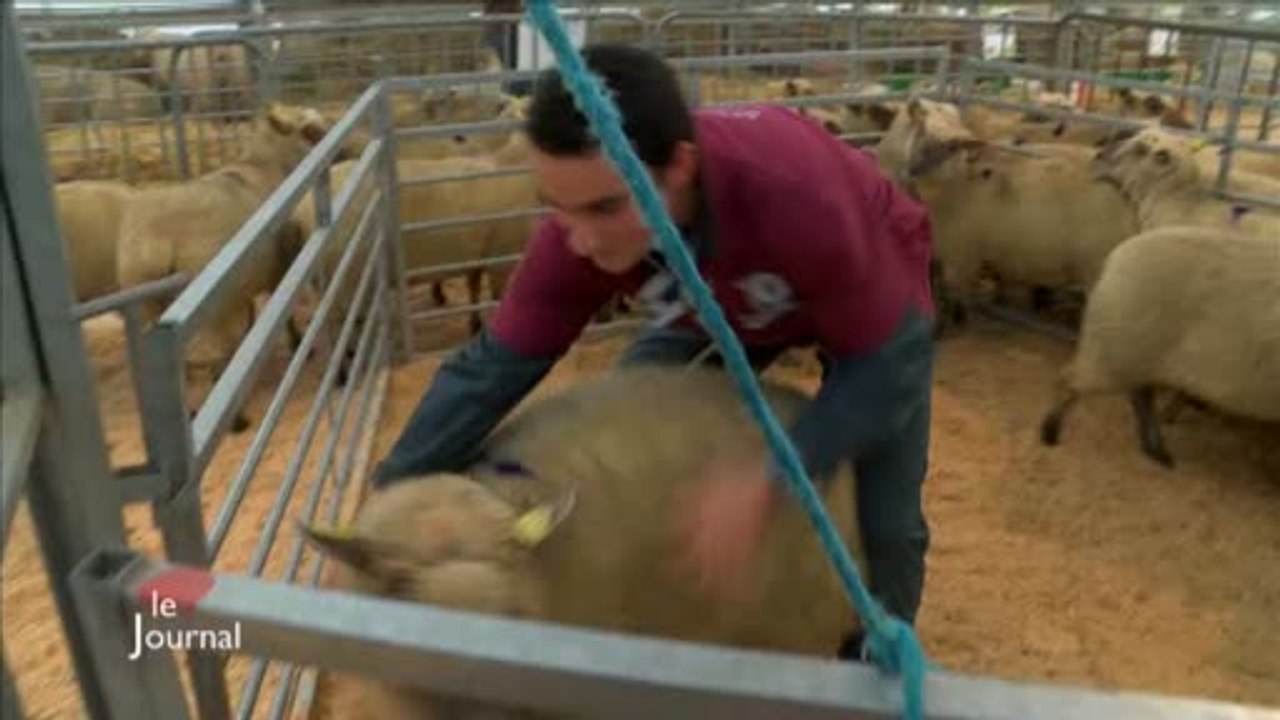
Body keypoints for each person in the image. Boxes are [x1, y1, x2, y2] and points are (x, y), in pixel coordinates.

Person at [371, 42, 935, 658]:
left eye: (606, 206)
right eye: (557, 208)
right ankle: (659, 620)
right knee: (628, 444)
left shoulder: (799, 200)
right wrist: (393, 492)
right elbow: (492, 367)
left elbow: (888, 368)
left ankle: (875, 660)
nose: (580, 241)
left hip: (862, 298)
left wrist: (771, 477)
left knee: (887, 520)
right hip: (712, 296)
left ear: (679, 167)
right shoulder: (581, 237)